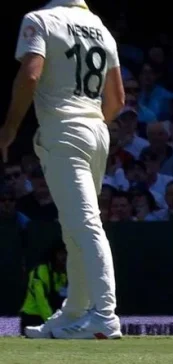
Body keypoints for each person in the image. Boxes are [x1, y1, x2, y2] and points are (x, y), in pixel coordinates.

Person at [0, 0, 124, 339]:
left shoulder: (41, 19)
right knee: (73, 228)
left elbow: (31, 75)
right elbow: (117, 100)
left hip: (64, 130)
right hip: (97, 131)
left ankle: (105, 315)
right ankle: (73, 313)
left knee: (84, 225)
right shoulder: (101, 28)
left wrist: (10, 128)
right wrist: (89, 124)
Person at [20, 240, 68, 334]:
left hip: (54, 319)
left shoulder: (64, 274)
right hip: (33, 317)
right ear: (54, 255)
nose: (65, 257)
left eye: (66, 254)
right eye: (61, 254)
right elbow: (41, 301)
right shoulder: (40, 271)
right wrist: (52, 323)